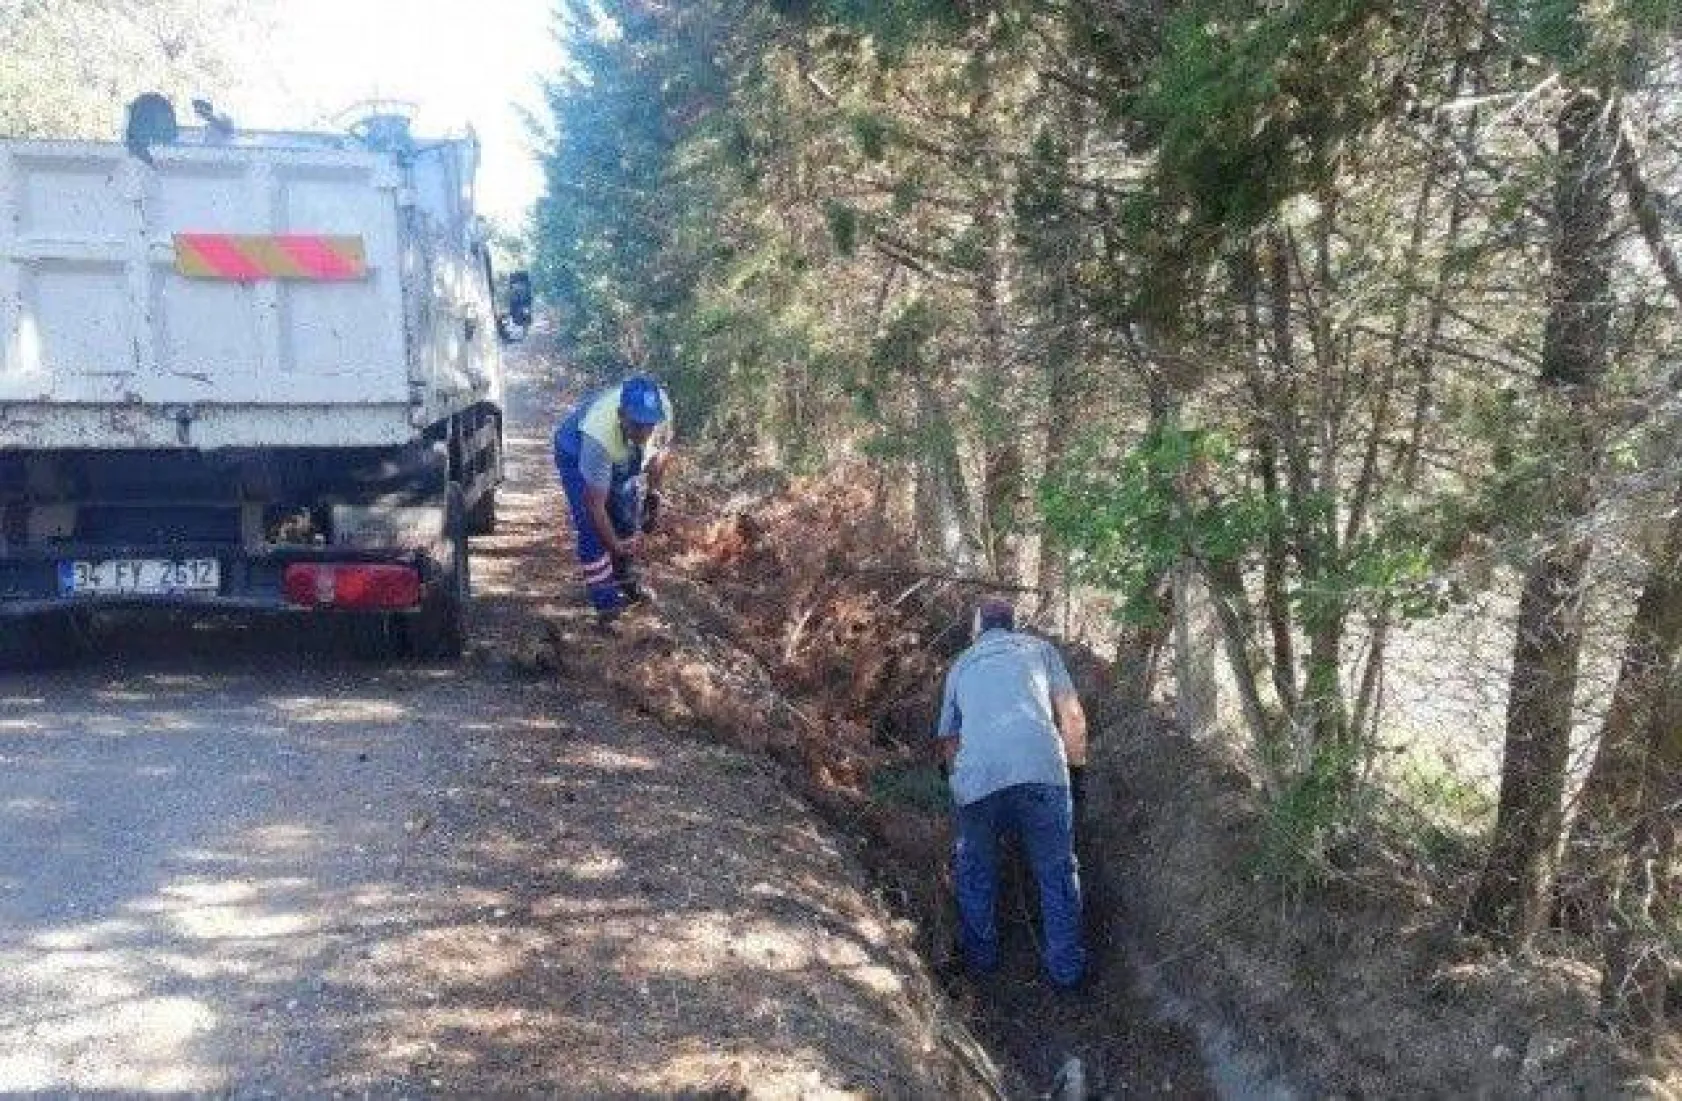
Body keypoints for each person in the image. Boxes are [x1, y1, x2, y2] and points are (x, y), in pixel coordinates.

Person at [934, 597, 1089, 988]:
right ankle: (1067, 975)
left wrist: (958, 786)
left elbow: (950, 739)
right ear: (1013, 624)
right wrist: (1077, 773)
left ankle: (981, 967)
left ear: (977, 629)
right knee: (1056, 873)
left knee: (976, 872)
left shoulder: (962, 665)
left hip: (979, 780)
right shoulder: (1040, 651)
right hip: (1042, 774)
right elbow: (1071, 717)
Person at [553, 375, 673, 623]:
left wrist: (654, 494)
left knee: (626, 516)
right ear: (621, 414)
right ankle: (606, 605)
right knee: (592, 530)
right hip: (574, 451)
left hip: (619, 448)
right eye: (638, 424)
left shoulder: (662, 410)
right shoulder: (598, 439)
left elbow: (661, 453)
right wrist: (614, 545)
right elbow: (595, 506)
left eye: (650, 424)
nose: (645, 432)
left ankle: (626, 580)